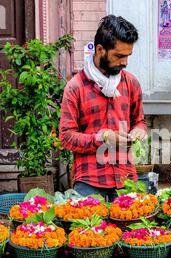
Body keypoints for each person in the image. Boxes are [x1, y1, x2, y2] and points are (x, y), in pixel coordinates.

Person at [60, 15, 148, 202]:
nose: (125, 62)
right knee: (87, 229)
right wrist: (102, 138)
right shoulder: (75, 87)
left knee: (133, 228)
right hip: (89, 179)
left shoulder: (131, 83)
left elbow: (139, 121)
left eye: (127, 56)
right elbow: (66, 138)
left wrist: (139, 131)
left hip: (125, 177)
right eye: (119, 56)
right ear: (100, 50)